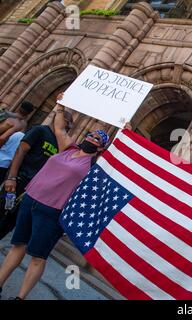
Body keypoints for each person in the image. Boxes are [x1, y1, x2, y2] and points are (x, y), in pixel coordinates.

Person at [0, 93, 110, 299]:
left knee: (37, 257)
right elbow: (59, 127)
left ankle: (20, 297)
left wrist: (127, 133)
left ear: (101, 147)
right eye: (90, 134)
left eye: (97, 138)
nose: (90, 138)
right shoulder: (68, 148)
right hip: (30, 200)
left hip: (52, 212)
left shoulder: (94, 167)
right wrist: (60, 104)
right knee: (18, 245)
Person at [0, 109, 73, 240]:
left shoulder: (60, 143)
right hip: (19, 180)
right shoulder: (40, 130)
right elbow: (20, 151)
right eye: (68, 122)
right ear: (58, 119)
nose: (69, 126)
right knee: (1, 211)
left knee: (10, 222)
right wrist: (11, 177)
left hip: (33, 190)